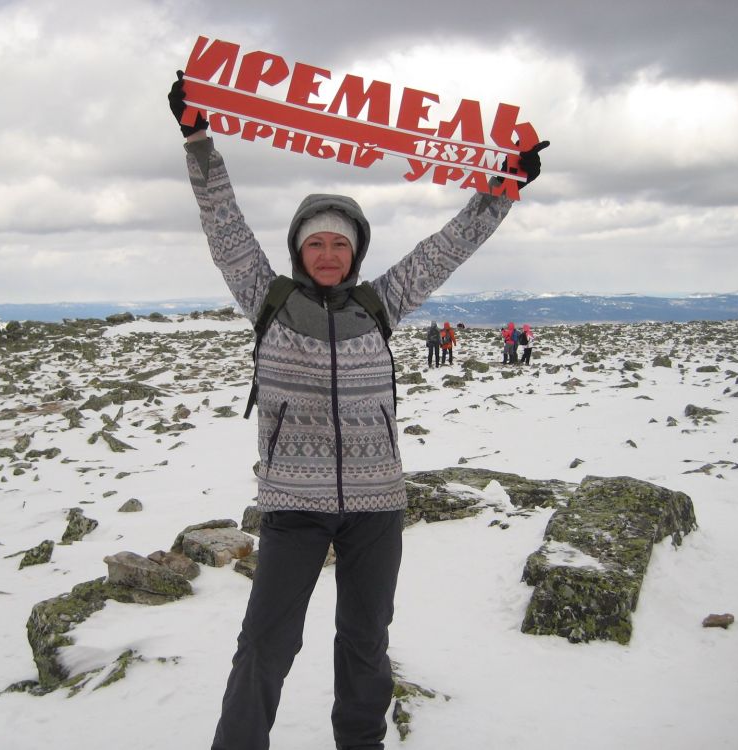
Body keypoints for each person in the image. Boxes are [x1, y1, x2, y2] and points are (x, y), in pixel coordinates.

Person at [169, 71, 547, 750]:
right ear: (298, 249)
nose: (327, 254)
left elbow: (446, 249)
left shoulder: (381, 303)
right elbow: (224, 227)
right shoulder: (268, 299)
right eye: (316, 242)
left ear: (356, 251)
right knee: (265, 643)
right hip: (293, 503)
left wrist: (501, 190)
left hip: (377, 506)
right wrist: (199, 144)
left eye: (339, 243)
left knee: (366, 641)